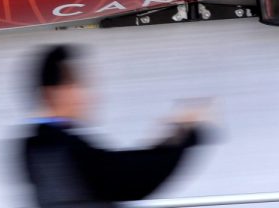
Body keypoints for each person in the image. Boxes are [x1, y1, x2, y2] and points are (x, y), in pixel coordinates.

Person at [20, 45, 211, 208]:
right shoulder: (61, 146)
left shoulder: (34, 145)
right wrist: (182, 134)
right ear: (52, 92)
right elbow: (128, 179)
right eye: (76, 86)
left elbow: (116, 170)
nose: (87, 96)